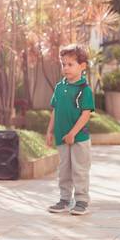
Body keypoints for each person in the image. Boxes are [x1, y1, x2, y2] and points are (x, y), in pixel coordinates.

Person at [46, 44, 95, 216]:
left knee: (79, 170)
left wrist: (73, 133)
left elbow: (85, 115)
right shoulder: (59, 87)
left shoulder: (84, 90)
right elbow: (55, 110)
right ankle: (65, 199)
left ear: (82, 66)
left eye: (70, 64)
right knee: (64, 170)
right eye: (63, 64)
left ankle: (82, 201)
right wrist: (50, 131)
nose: (66, 68)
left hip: (79, 138)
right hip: (61, 137)